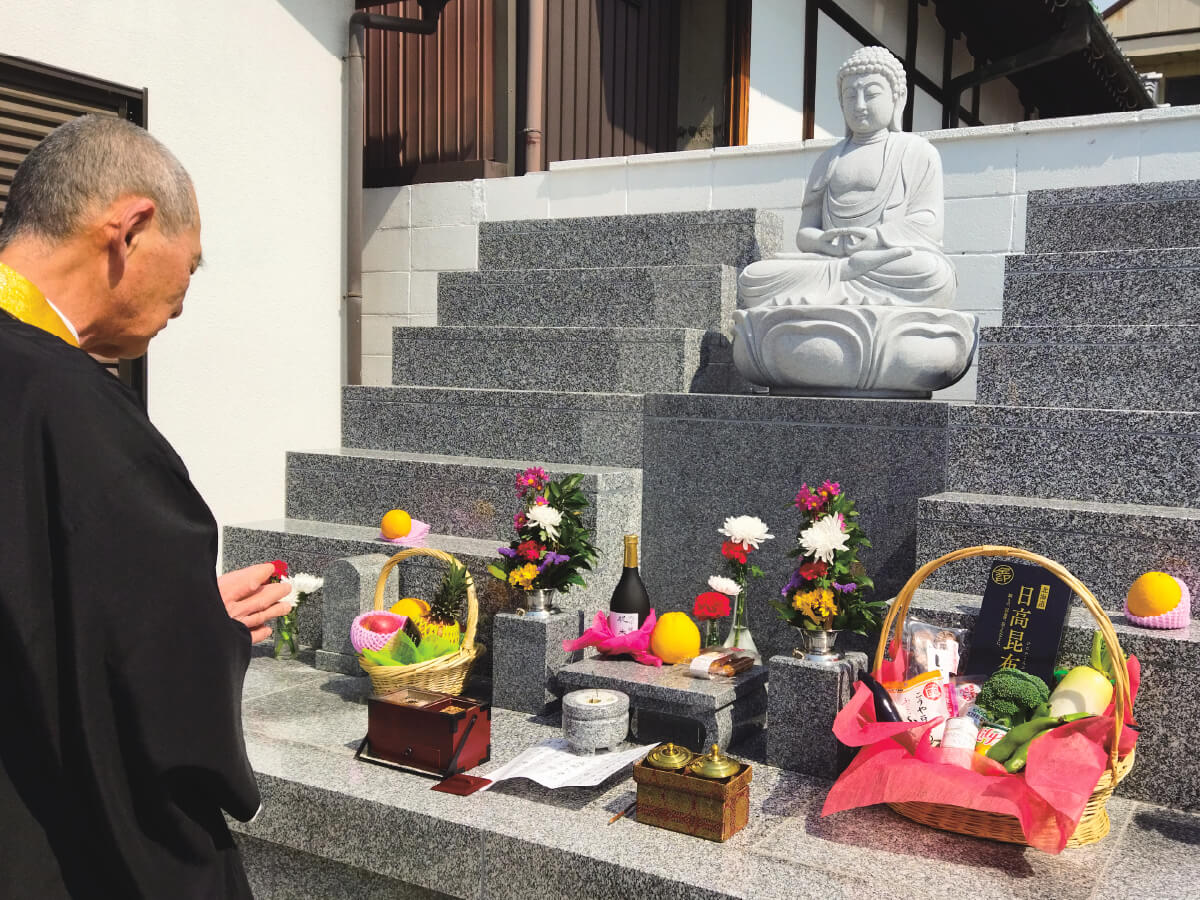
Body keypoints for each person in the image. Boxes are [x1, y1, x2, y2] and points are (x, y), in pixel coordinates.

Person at [0, 115, 291, 898]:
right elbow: (163, 712)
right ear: (129, 229)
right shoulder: (70, 406)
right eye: (190, 267)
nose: (184, 303)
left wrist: (178, 610)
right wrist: (204, 639)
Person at [737, 46, 957, 308]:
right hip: (829, 263)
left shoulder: (917, 152)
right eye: (850, 96)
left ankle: (829, 292)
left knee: (931, 272)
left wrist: (876, 238)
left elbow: (930, 223)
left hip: (884, 260)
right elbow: (805, 232)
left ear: (898, 98)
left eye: (872, 94)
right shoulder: (827, 161)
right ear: (841, 102)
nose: (860, 105)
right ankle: (844, 282)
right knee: (753, 276)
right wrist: (822, 242)